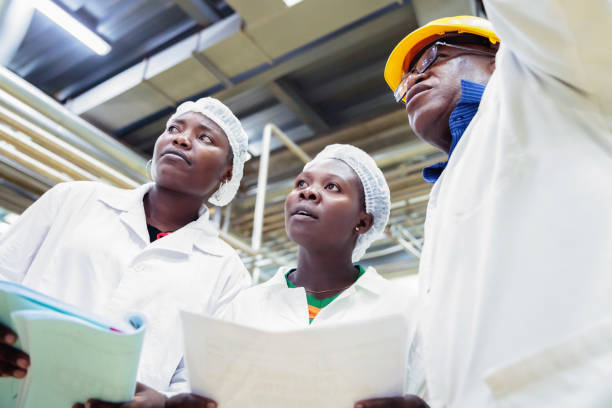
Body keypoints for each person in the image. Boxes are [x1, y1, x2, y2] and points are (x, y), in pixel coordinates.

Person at [372, 2, 611, 407]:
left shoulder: (547, 83)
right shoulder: (448, 187)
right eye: (406, 78)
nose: (414, 78)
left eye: (431, 56)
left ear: (498, 57)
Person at [0, 97, 252, 406]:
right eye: (174, 128)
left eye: (205, 137)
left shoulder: (227, 271)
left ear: (227, 172)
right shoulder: (74, 199)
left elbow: (206, 379)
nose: (181, 138)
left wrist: (163, 402)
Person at [218, 144, 423, 406]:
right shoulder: (244, 307)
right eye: (301, 183)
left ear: (362, 222)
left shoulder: (402, 310)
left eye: (332, 187)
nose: (308, 192)